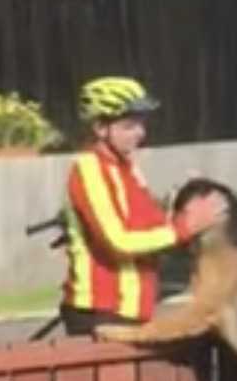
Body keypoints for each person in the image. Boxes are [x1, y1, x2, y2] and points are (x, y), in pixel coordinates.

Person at [59, 76, 225, 337]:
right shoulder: (89, 170)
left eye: (141, 124)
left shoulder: (129, 169)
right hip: (101, 311)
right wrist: (185, 227)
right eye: (129, 126)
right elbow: (119, 241)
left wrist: (186, 207)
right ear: (100, 128)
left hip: (134, 308)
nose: (140, 133)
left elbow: (154, 227)